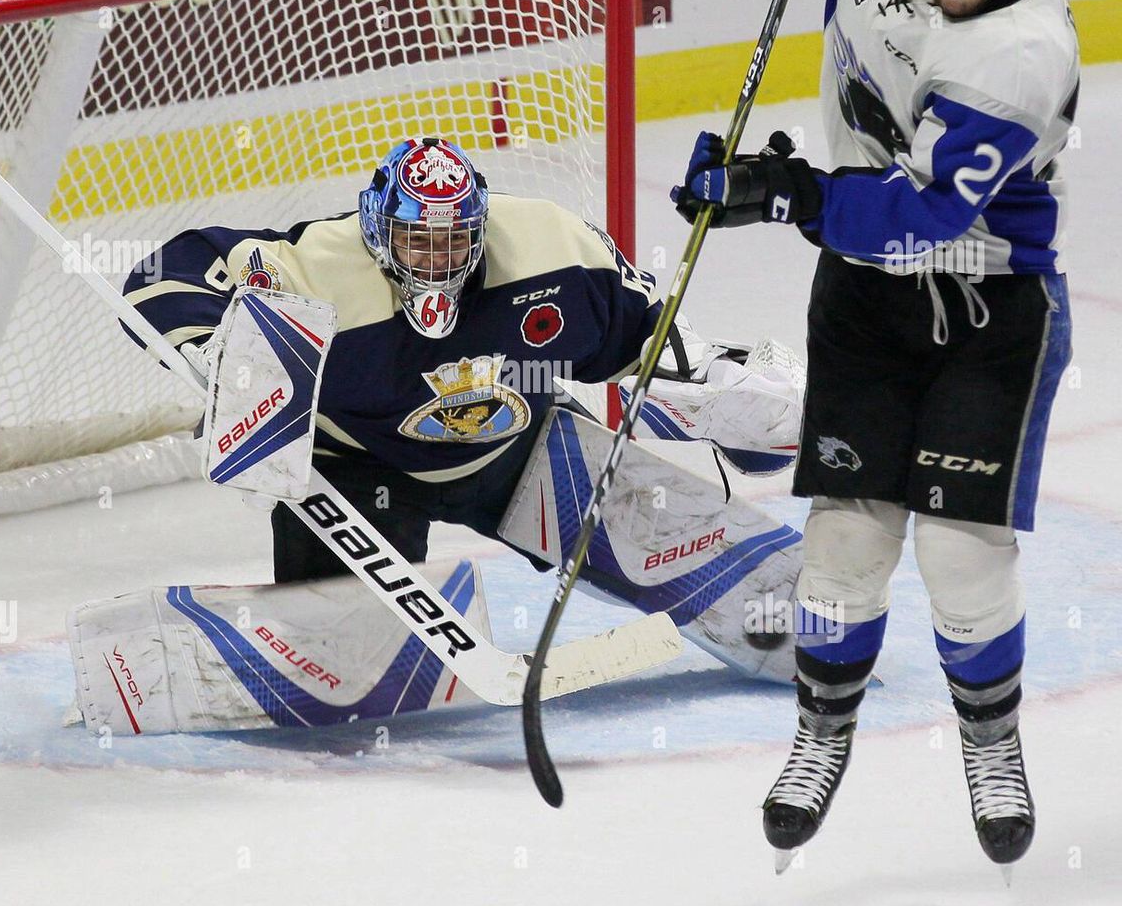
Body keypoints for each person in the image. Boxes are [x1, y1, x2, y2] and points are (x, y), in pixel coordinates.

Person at [671, 0, 1077, 867]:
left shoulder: (1023, 57)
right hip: (863, 304)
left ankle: (990, 741)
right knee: (844, 545)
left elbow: (925, 216)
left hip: (988, 312)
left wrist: (779, 191)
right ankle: (819, 734)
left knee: (958, 550)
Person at [123, 135, 805, 678]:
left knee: (716, 565)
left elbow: (648, 336)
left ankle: (808, 628)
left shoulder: (550, 249)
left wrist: (726, 380)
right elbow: (160, 275)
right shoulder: (317, 268)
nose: (436, 260)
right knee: (345, 666)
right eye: (418, 240)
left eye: (453, 241)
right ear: (376, 229)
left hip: (516, 445)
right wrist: (222, 355)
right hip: (360, 473)